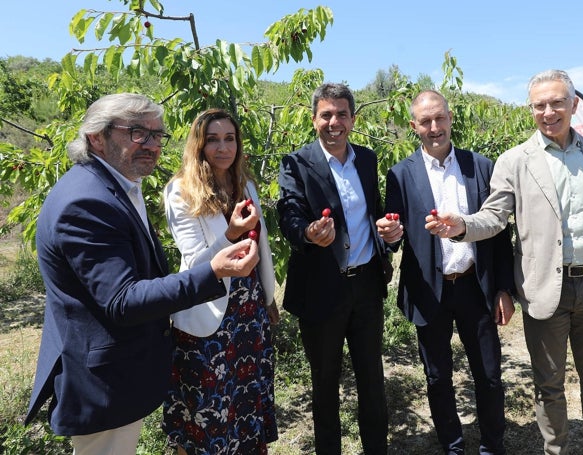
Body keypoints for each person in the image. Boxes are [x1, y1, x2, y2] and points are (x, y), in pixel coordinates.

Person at [24, 93, 259, 455]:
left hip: (118, 370)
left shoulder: (115, 187)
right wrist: (214, 270)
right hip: (102, 380)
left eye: (157, 135)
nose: (151, 145)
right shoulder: (86, 201)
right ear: (96, 138)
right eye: (137, 133)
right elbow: (123, 300)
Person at [433, 70, 583, 454]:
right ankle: (556, 450)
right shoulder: (515, 161)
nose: (548, 112)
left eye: (556, 102)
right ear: (530, 109)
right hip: (545, 290)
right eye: (539, 105)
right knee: (549, 386)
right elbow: (495, 216)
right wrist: (462, 226)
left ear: (574, 105)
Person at [377, 90, 515, 454]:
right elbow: (394, 234)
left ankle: (492, 446)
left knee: (488, 375)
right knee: (438, 378)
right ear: (414, 126)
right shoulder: (400, 175)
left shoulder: (481, 167)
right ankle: (453, 446)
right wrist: (390, 236)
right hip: (429, 289)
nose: (434, 127)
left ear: (451, 118)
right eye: (425, 121)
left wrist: (503, 288)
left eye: (440, 118)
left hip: (475, 286)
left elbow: (500, 234)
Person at [277, 82, 402, 454]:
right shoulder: (296, 163)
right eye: (326, 114)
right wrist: (308, 233)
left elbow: (374, 214)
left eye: (342, 114)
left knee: (371, 379)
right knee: (325, 383)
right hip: (321, 290)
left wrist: (389, 235)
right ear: (314, 118)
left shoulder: (366, 158)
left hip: (365, 287)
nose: (334, 122)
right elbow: (289, 213)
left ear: (353, 118)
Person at [162, 108, 279, 454]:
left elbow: (263, 249)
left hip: (248, 314)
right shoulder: (181, 192)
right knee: (208, 411)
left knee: (247, 405)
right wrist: (231, 233)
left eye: (229, 139)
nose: (222, 147)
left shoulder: (246, 186)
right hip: (208, 319)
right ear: (198, 146)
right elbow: (197, 263)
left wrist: (268, 298)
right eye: (212, 140)